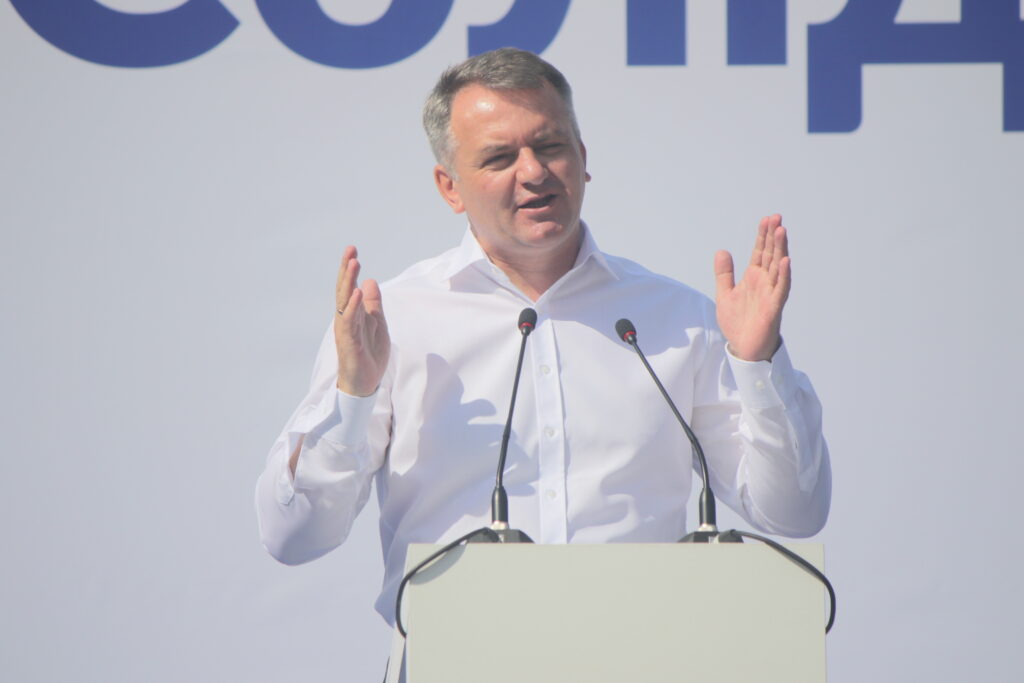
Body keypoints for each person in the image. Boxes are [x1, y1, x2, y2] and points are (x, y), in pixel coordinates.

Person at [255, 48, 831, 627]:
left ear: (582, 158)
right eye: (499, 157)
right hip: (455, 657)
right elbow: (294, 536)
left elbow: (794, 513)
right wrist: (353, 399)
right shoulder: (392, 323)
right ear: (450, 187)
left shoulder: (677, 318)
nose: (533, 172)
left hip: (643, 654)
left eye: (550, 146)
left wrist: (758, 364)